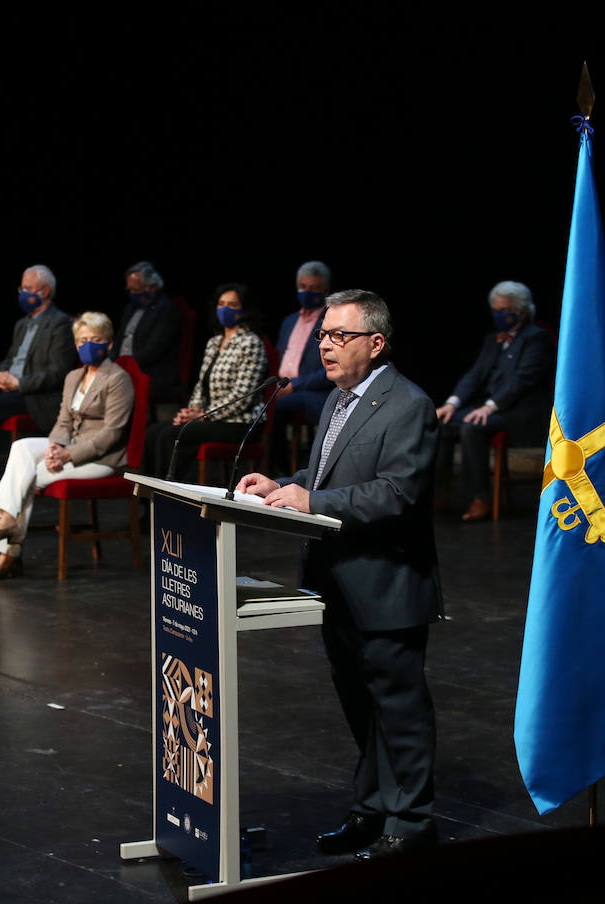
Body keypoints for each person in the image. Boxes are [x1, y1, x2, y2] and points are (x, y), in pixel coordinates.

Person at [236, 289, 441, 860]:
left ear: (375, 344)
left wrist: (315, 497)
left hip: (385, 586)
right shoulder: (339, 398)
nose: (325, 346)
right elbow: (328, 470)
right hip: (335, 582)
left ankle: (412, 822)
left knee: (397, 709)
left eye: (339, 336)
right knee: (360, 705)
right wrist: (283, 484)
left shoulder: (408, 405)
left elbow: (397, 494)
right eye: (324, 335)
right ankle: (372, 809)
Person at [0, 311, 134, 580]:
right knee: (23, 448)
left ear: (108, 344)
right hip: (70, 446)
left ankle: (8, 553)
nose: (88, 345)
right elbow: (62, 420)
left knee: (28, 475)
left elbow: (112, 434)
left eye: (95, 339)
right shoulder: (74, 376)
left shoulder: (118, 378)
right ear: (75, 344)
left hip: (102, 459)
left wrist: (67, 454)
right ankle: (9, 521)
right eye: (83, 340)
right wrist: (54, 447)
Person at [435, 281, 553, 521]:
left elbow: (521, 381)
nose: (500, 315)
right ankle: (438, 494)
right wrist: (452, 403)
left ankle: (481, 498)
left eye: (505, 310)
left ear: (521, 311)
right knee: (441, 424)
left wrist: (488, 407)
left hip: (521, 412)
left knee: (472, 427)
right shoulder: (493, 340)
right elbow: (475, 375)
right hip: (492, 408)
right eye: (496, 310)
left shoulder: (536, 338)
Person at [0, 264, 77, 486]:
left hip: (33, 395)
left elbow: (58, 372)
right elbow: (10, 359)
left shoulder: (60, 323)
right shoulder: (22, 324)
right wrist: (0, 375)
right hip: (9, 386)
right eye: (22, 289)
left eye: (28, 288)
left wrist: (19, 383)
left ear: (45, 291)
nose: (23, 294)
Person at [143, 283, 268, 479]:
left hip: (240, 422)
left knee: (172, 435)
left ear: (244, 310)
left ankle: (172, 493)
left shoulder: (251, 343)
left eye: (232, 304)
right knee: (153, 432)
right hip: (210, 417)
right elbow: (201, 385)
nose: (225, 308)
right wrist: (191, 412)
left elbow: (243, 396)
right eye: (221, 304)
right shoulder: (214, 342)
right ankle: (148, 497)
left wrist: (204, 415)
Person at [271, 261, 335, 463]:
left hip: (313, 392)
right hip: (281, 386)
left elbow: (328, 371)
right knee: (258, 402)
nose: (308, 292)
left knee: (274, 406)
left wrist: (293, 386)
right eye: (304, 287)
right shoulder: (289, 321)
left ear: (325, 291)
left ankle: (279, 465)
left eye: (314, 288)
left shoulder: (330, 320)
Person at [113, 260, 181, 404]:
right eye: (129, 290)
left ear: (152, 287)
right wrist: (111, 362)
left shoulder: (166, 309)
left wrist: (125, 366)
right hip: (123, 368)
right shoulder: (130, 308)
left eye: (136, 290)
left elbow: (154, 350)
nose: (132, 294)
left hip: (151, 372)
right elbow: (119, 339)